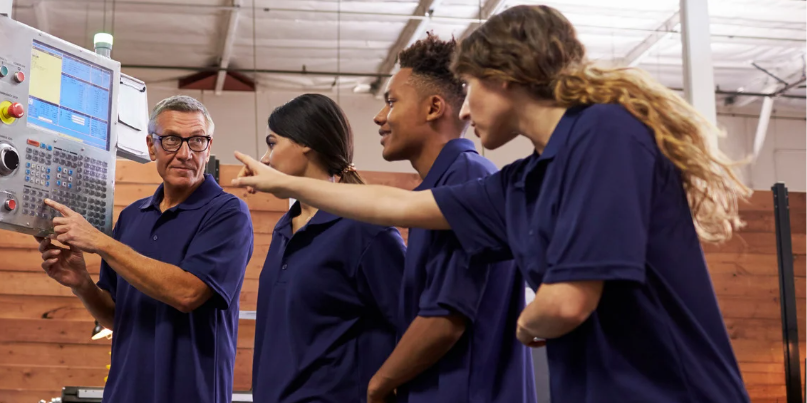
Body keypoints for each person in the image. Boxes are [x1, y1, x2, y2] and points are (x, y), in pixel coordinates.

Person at [233, 5, 751, 403]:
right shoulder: (523, 182)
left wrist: (527, 324)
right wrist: (289, 185)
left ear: (503, 77)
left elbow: (566, 302)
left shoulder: (605, 131)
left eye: (472, 86)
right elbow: (397, 207)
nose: (466, 104)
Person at [37, 95, 253, 403]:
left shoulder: (228, 213)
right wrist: (82, 283)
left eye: (197, 141)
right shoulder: (132, 217)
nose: (185, 153)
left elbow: (187, 294)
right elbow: (116, 316)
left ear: (208, 146)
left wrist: (100, 241)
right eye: (171, 141)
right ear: (151, 147)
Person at [366, 33, 534, 403]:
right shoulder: (440, 186)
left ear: (433, 107)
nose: (381, 117)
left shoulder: (467, 177)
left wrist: (379, 384)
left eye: (392, 102)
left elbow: (445, 320)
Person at [250, 93, 407, 403]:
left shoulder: (365, 230)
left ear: (305, 142)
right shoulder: (285, 228)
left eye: (272, 143)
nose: (266, 158)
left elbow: (409, 326)